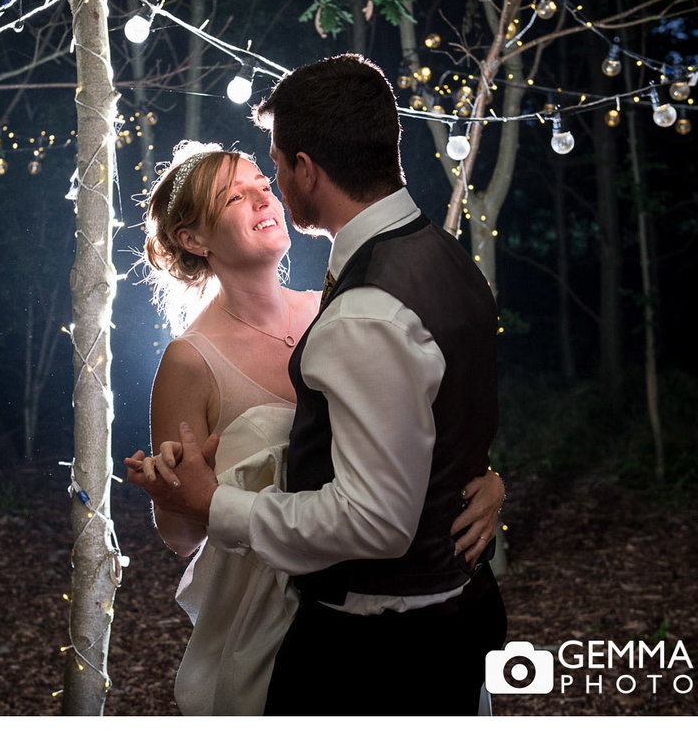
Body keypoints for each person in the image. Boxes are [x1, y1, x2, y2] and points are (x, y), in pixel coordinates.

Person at [131, 56, 508, 714]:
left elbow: (411, 434)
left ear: (305, 170)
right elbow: (182, 523)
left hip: (371, 628)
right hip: (278, 616)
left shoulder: (342, 309)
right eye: (234, 196)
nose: (266, 195)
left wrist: (483, 478)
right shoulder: (192, 362)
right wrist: (197, 496)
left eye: (265, 177)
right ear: (193, 237)